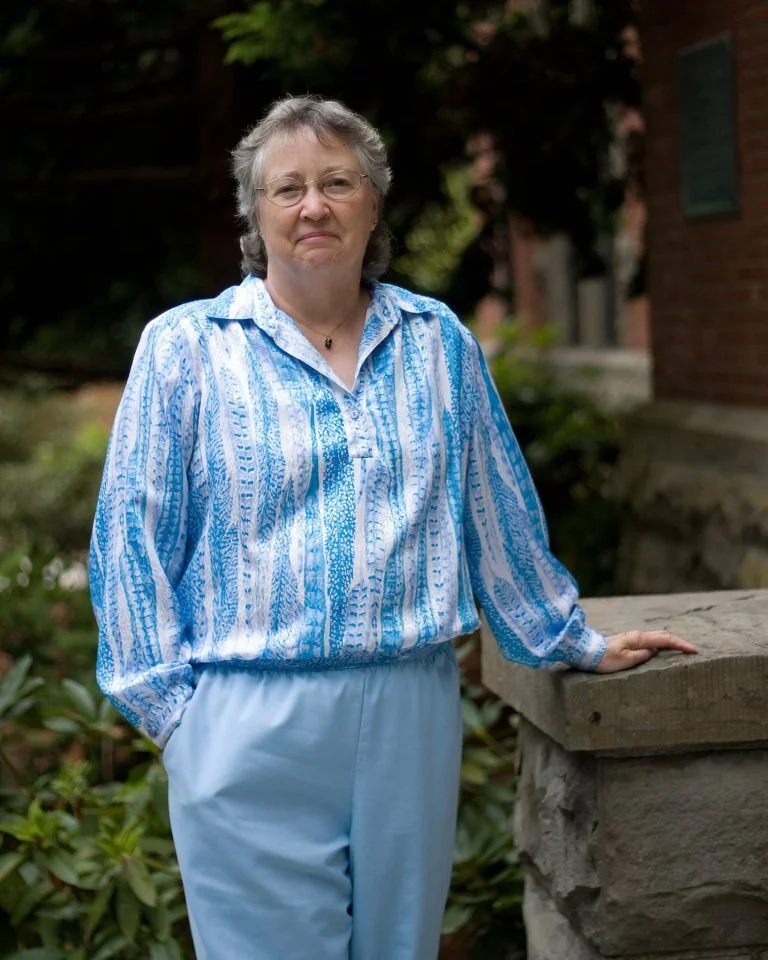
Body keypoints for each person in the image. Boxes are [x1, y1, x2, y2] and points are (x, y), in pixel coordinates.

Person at [89, 95, 697, 960]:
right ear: (255, 214)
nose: (313, 206)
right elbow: (130, 537)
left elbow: (494, 505)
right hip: (248, 711)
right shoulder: (186, 347)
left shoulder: (436, 339)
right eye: (287, 188)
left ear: (374, 202)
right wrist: (175, 714)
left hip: (411, 702)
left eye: (338, 182)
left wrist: (570, 640)